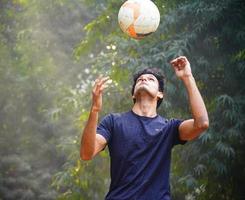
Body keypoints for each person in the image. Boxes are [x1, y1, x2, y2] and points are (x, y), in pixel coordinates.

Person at [80, 56, 209, 200]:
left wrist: (187, 77)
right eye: (140, 79)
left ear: (160, 94)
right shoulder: (113, 122)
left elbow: (201, 123)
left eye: (150, 79)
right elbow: (86, 153)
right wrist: (95, 109)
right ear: (133, 94)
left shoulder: (169, 128)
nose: (144, 79)